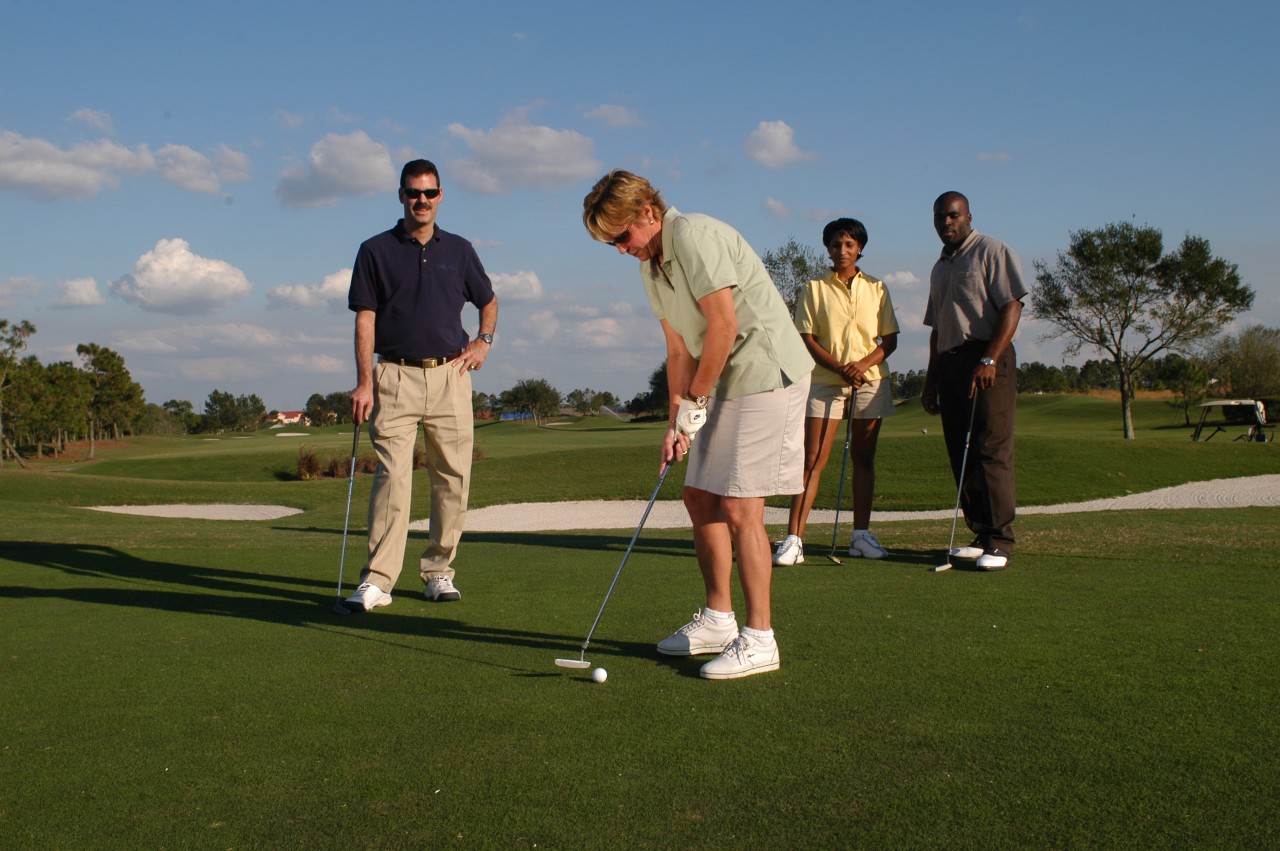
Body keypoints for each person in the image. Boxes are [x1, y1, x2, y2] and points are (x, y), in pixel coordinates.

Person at [582, 170, 814, 680]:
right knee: (699, 496)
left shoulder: (693, 235)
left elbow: (725, 326)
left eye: (621, 236)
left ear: (647, 211)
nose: (621, 249)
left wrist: (697, 403)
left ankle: (760, 639)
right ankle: (718, 620)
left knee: (739, 505)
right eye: (609, 243)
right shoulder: (651, 265)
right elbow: (677, 349)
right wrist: (676, 423)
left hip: (765, 372)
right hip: (724, 377)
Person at [341, 159, 498, 612]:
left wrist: (483, 342)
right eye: (413, 193)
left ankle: (438, 572)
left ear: (441, 196)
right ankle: (377, 581)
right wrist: (364, 382)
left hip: (451, 375)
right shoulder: (374, 250)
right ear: (401, 195)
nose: (421, 201)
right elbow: (365, 318)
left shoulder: (460, 249)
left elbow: (488, 300)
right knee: (393, 479)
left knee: (452, 478)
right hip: (394, 376)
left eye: (429, 193)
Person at [773, 218, 899, 566]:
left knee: (864, 458)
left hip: (870, 382)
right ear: (827, 248)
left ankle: (861, 536)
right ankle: (794, 539)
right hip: (826, 383)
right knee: (812, 460)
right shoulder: (814, 288)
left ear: (859, 247)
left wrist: (860, 366)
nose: (841, 251)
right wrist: (840, 367)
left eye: (848, 244)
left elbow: (889, 339)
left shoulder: (877, 288)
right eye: (834, 245)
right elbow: (806, 338)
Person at [922, 191, 1026, 570]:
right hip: (951, 363)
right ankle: (981, 534)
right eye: (939, 218)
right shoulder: (941, 266)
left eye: (952, 216)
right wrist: (931, 381)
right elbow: (937, 330)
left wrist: (990, 358)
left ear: (967, 216)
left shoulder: (991, 250)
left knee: (989, 447)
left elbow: (1012, 305)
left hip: (986, 356)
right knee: (961, 452)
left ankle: (1001, 539)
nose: (946, 223)